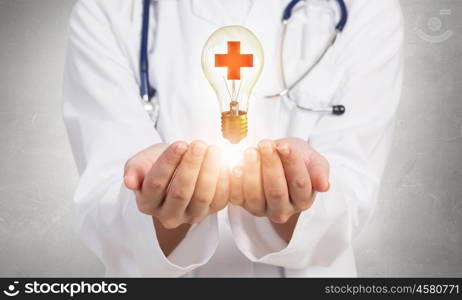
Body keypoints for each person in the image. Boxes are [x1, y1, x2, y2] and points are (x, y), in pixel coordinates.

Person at [63, 0, 403, 277]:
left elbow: (351, 196)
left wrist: (301, 196)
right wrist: (156, 199)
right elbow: (107, 201)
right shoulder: (108, 10)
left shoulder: (365, 9)